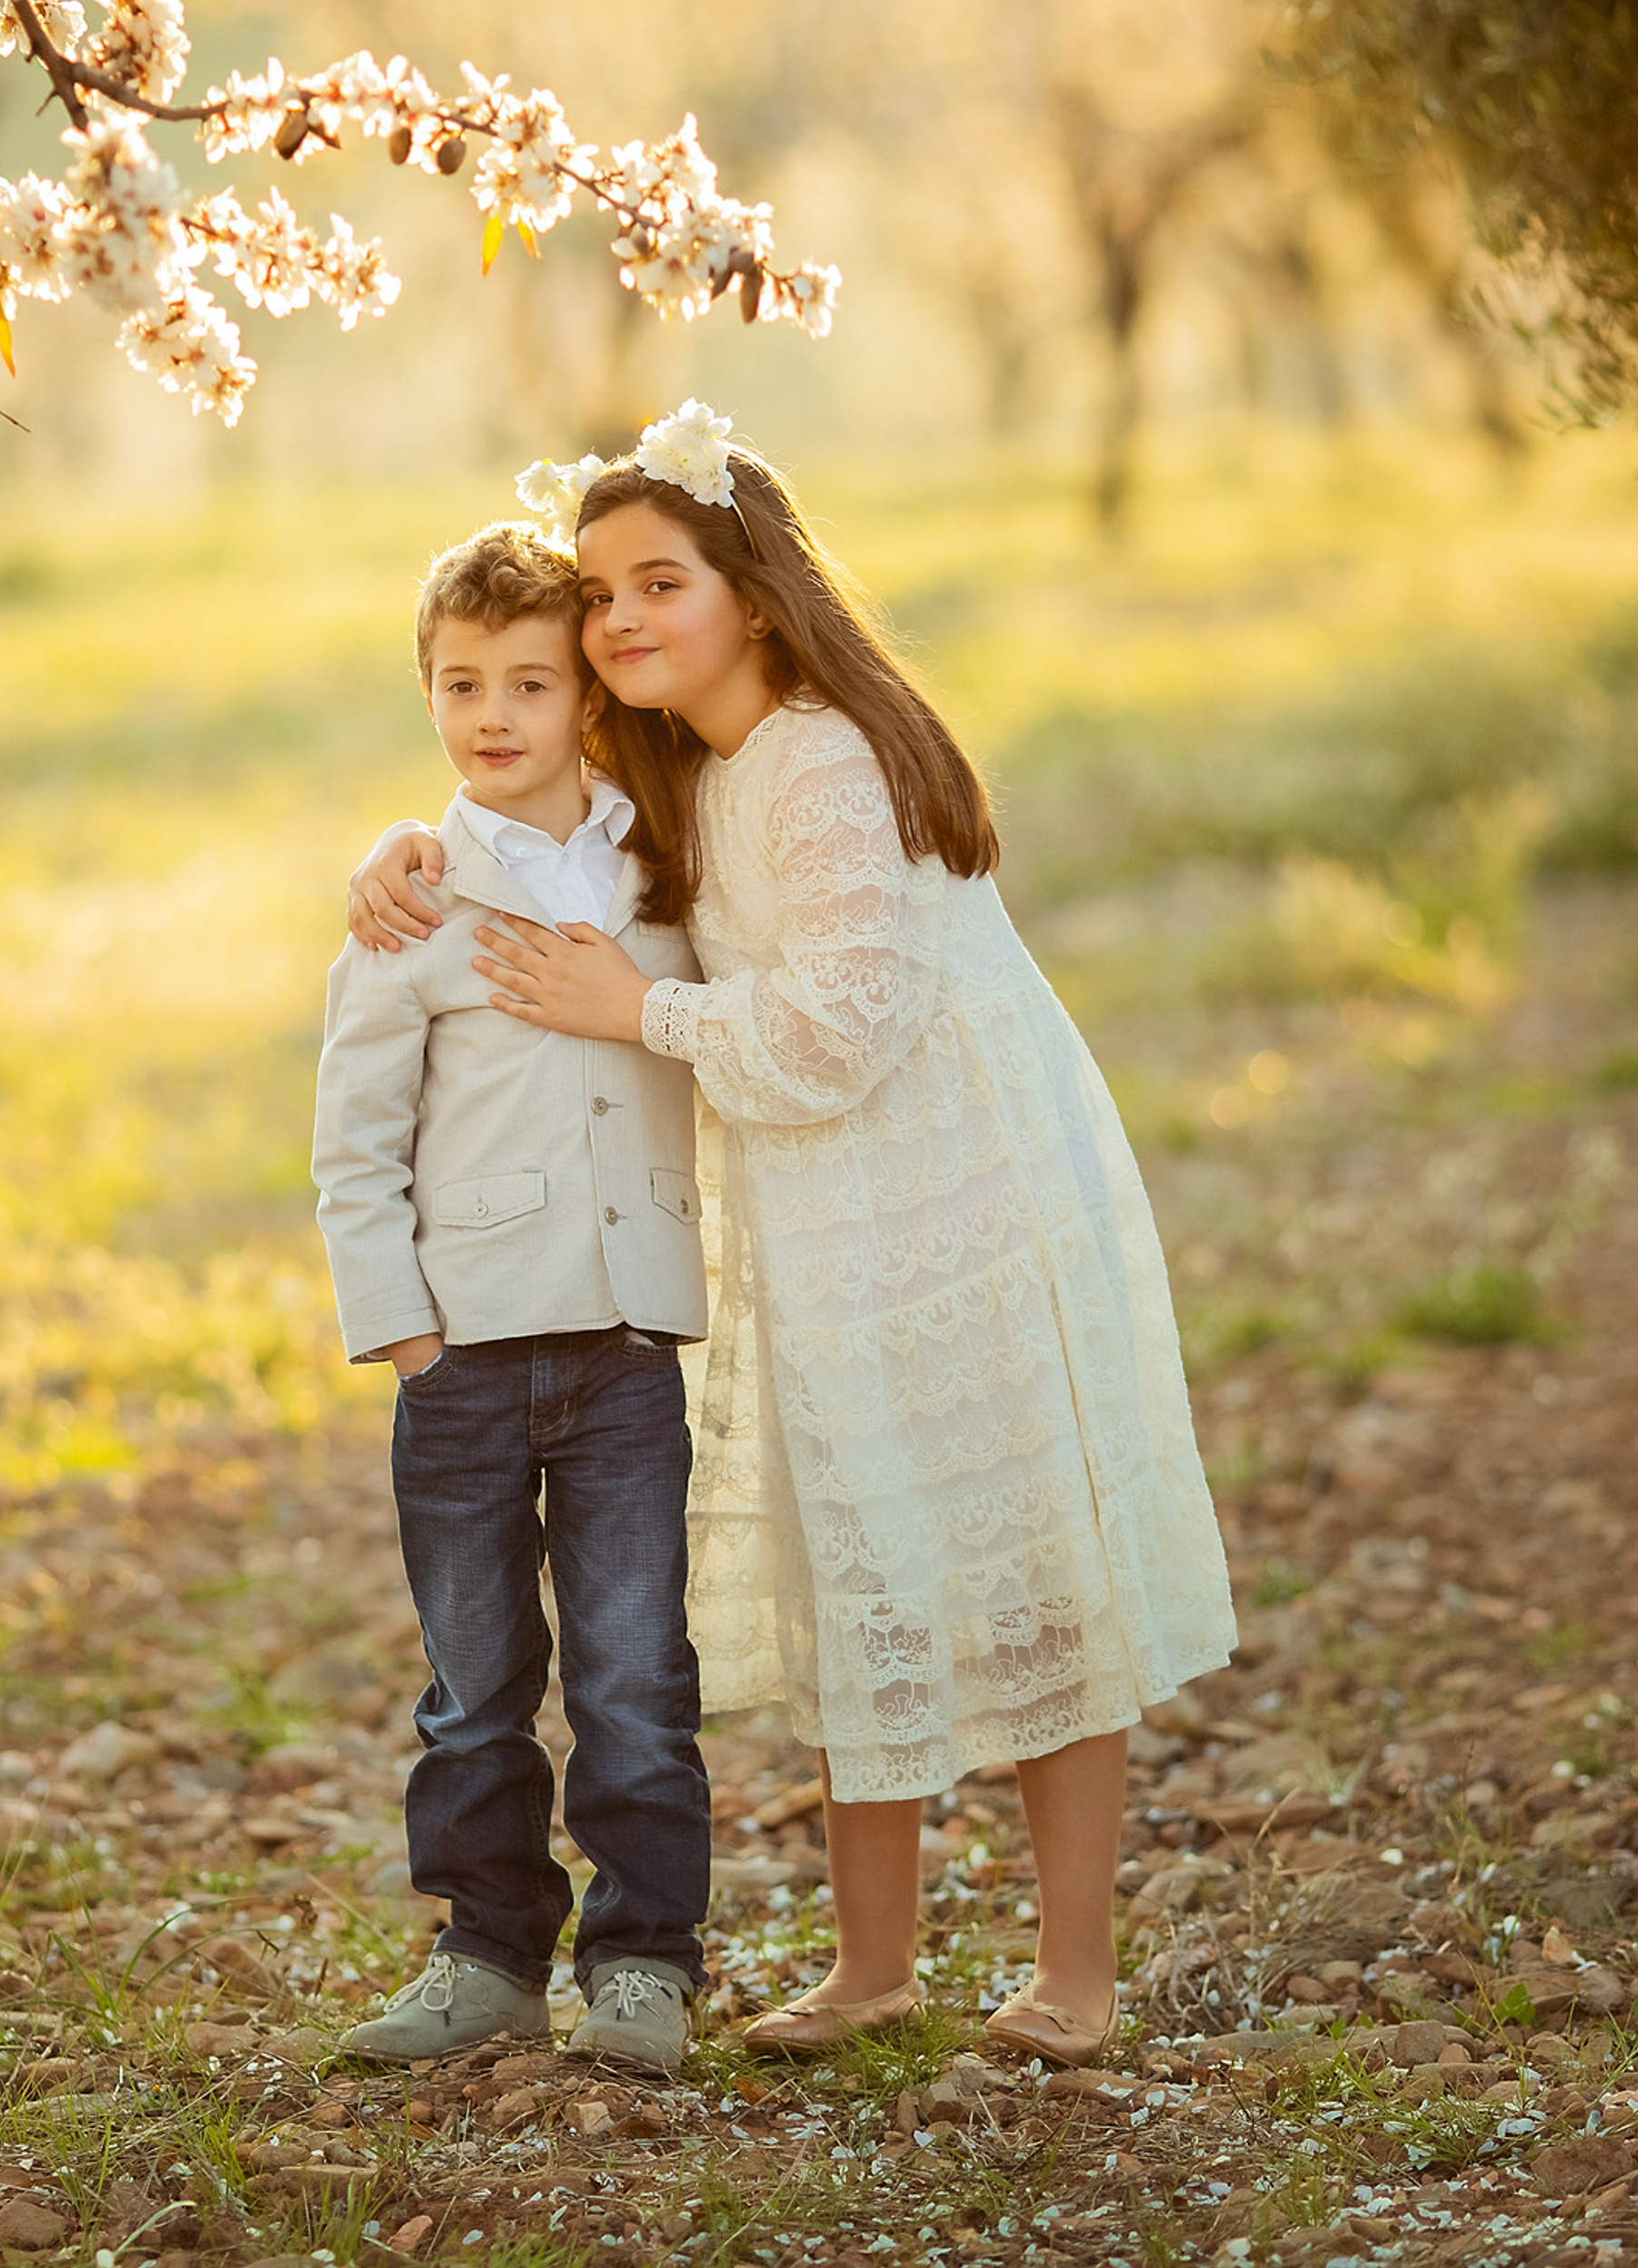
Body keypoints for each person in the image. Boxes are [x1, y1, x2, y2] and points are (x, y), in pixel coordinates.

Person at [345, 408, 1236, 2068]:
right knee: (862, 1544)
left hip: (958, 1190)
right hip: (833, 1199)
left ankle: (1079, 1973)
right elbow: (514, 792)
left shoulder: (823, 754)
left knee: (1030, 1548)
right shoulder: (694, 754)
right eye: (599, 594)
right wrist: (398, 851)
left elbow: (841, 1025)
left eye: (655, 583)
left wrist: (642, 1007)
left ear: (752, 594)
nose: (613, 624)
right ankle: (876, 1964)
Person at [310, 522, 717, 2073]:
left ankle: (646, 1961)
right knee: (475, 1689)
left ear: (585, 703)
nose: (494, 714)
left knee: (632, 1673)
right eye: (461, 682)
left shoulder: (658, 869)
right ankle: (487, 1954)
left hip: (623, 1345)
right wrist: (399, 1320)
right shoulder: (415, 902)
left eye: (529, 683)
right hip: (465, 1356)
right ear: (426, 693)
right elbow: (353, 1141)